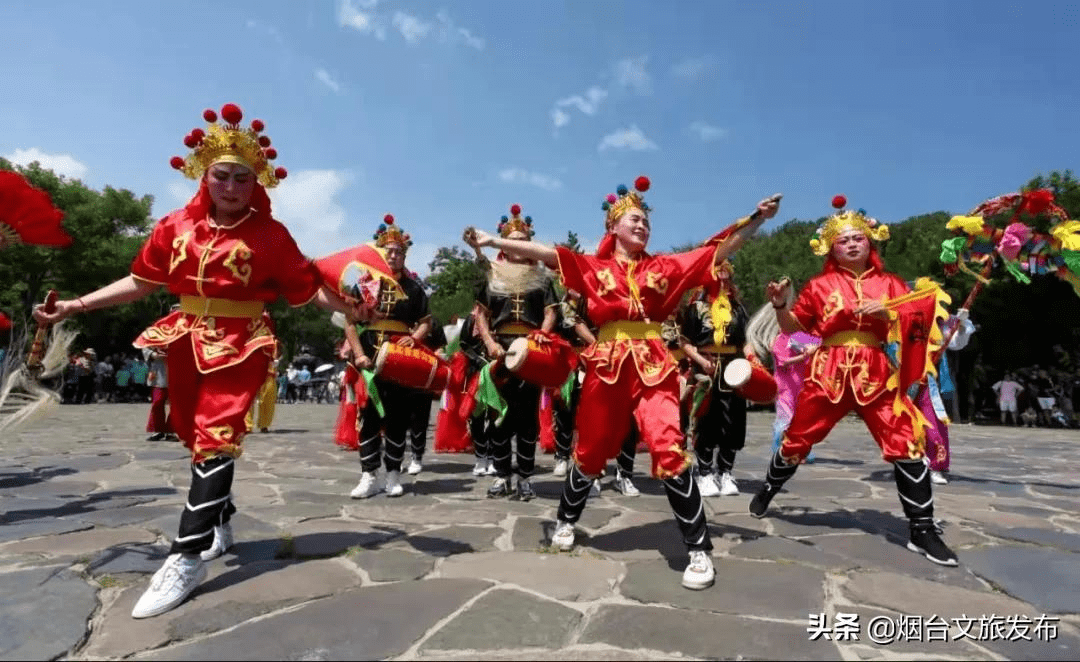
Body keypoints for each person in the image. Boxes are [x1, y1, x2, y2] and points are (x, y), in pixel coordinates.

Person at [34, 102, 365, 619]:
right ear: (204, 176)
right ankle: (220, 520)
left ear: (256, 183)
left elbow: (306, 292)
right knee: (194, 437)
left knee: (215, 437)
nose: (231, 187)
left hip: (242, 342)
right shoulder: (175, 226)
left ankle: (185, 557)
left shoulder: (270, 236)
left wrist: (351, 307)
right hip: (185, 338)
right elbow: (141, 281)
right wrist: (76, 305)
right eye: (222, 176)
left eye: (242, 178)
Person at [464, 176, 779, 589]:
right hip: (608, 364)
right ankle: (566, 519)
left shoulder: (663, 267)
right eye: (634, 218)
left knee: (668, 445)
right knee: (591, 450)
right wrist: (490, 242)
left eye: (646, 220)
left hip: (652, 364)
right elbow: (547, 253)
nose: (643, 225)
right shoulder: (593, 268)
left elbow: (717, 249)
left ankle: (699, 549)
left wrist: (758, 219)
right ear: (613, 226)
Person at [750, 196, 959, 567]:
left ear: (870, 243)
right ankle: (769, 487)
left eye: (857, 237)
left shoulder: (890, 283)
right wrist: (782, 306)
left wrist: (891, 309)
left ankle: (922, 529)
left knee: (906, 442)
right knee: (798, 439)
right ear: (832, 248)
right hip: (828, 370)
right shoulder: (819, 285)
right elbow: (795, 332)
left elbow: (918, 316)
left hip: (876, 372)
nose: (851, 243)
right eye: (843, 239)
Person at [470, 204, 559, 500]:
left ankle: (525, 478)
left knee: (527, 418)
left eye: (523, 240)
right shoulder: (492, 274)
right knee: (498, 415)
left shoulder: (543, 278)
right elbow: (481, 315)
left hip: (531, 350)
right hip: (500, 349)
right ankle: (501, 475)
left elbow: (550, 313)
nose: (519, 245)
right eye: (514, 240)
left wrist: (542, 337)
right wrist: (490, 343)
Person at [344, 214, 432, 499]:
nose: (393, 256)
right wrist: (358, 355)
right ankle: (369, 474)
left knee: (398, 417)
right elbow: (350, 323)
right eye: (389, 252)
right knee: (368, 415)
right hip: (369, 357)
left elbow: (426, 322)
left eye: (398, 252)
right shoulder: (365, 283)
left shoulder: (415, 288)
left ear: (405, 255)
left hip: (400, 358)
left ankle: (393, 473)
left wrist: (415, 338)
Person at [678, 261, 754, 498]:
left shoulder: (738, 308)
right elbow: (684, 341)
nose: (721, 279)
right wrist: (700, 362)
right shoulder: (697, 308)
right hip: (706, 367)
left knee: (733, 422)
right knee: (706, 421)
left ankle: (726, 472)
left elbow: (746, 341)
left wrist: (752, 360)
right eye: (717, 274)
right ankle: (705, 473)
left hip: (733, 367)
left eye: (725, 275)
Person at [406, 321, 447, 475]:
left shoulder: (432, 324)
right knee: (399, 418)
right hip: (401, 372)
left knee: (420, 419)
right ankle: (396, 458)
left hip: (424, 376)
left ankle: (417, 457)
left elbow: (441, 347)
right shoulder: (402, 317)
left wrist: (438, 355)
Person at [245, 333, 280, 433]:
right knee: (248, 400)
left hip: (268, 372)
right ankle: (247, 425)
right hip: (251, 371)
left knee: (267, 398)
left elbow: (277, 354)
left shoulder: (273, 341)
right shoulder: (248, 337)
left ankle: (264, 424)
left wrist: (276, 360)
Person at [145, 346, 174, 441]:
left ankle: (171, 431)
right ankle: (158, 430)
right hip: (158, 371)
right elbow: (145, 345)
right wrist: (153, 354)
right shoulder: (155, 332)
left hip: (176, 368)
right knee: (157, 402)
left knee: (175, 405)